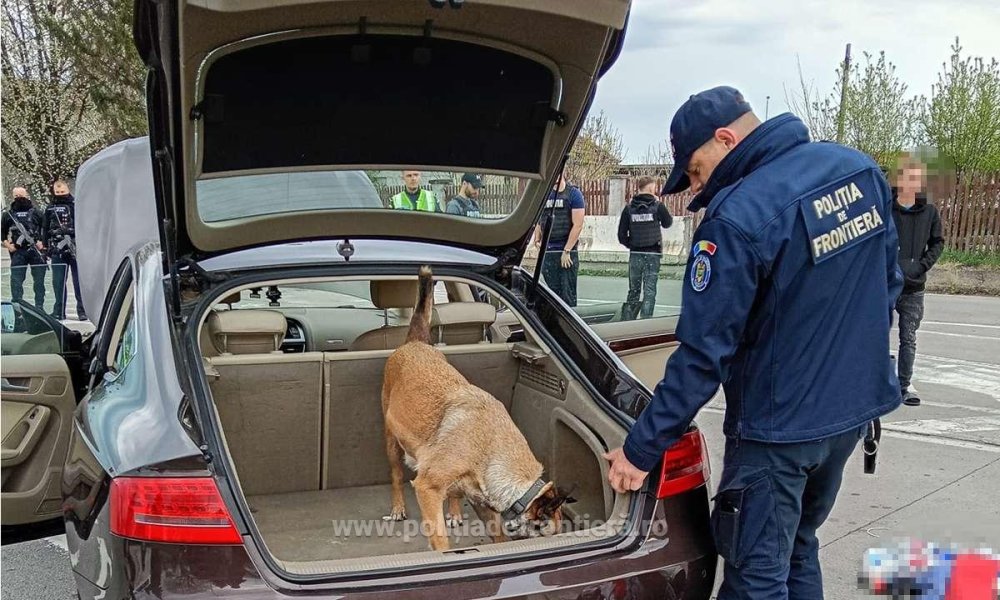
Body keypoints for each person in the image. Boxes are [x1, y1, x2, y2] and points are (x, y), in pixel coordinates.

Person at [602, 86, 903, 599]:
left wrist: (639, 450)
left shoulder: (738, 218)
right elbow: (889, 285)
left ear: (725, 138)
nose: (697, 185)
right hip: (851, 418)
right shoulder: (858, 170)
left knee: (755, 577)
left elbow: (702, 355)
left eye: (695, 169)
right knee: (798, 548)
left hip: (778, 433)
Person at [891, 155, 944, 407]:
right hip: (887, 283)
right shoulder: (885, 208)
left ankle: (904, 384)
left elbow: (937, 242)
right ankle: (875, 383)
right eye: (907, 177)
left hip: (914, 288)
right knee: (876, 333)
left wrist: (921, 266)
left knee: (908, 337)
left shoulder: (929, 211)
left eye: (917, 178)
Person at [617, 176, 673, 320]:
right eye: (654, 187)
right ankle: (645, 323)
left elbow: (621, 235)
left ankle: (627, 322)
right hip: (653, 254)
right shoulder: (657, 206)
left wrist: (633, 244)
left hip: (635, 253)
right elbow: (668, 223)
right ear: (650, 188)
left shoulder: (628, 208)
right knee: (649, 291)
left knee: (633, 290)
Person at [533, 173, 585, 306]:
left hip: (566, 254)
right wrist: (537, 238)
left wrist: (567, 251)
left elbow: (578, 225)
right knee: (553, 296)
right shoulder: (544, 194)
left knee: (568, 297)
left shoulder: (574, 194)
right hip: (548, 252)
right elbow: (540, 218)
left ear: (563, 174)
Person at [41, 180, 86, 321]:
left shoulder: (75, 205)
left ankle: (82, 311)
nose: (60, 194)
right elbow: (45, 228)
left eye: (62, 191)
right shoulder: (49, 208)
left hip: (75, 248)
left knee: (79, 283)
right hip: (57, 250)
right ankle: (59, 311)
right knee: (58, 282)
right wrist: (45, 247)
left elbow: (84, 225)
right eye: (57, 192)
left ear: (67, 189)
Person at [2, 187, 47, 309]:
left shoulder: (37, 213)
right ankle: (18, 307)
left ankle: (39, 307)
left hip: (35, 252)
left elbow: (45, 229)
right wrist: (8, 245)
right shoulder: (9, 215)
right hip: (18, 252)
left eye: (21, 195)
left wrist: (42, 243)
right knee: (16, 281)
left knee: (39, 282)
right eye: (16, 196)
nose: (19, 198)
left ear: (27, 195)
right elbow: (2, 233)